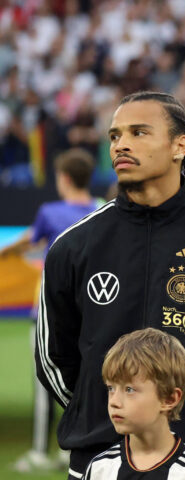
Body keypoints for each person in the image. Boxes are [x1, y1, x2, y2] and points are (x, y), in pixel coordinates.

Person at [35, 91, 185, 480]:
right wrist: (99, 414)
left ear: (179, 146)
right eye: (115, 135)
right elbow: (53, 357)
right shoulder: (73, 246)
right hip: (95, 461)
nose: (121, 145)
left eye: (138, 132)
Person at [0, 148, 101, 473]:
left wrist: (4, 252)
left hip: (51, 309)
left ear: (64, 178)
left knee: (46, 380)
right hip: (92, 308)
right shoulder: (102, 209)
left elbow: (29, 240)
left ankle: (40, 452)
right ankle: (75, 448)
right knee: (84, 380)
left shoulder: (50, 211)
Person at [83, 328, 185, 480]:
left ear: (169, 399)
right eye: (111, 388)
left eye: (129, 390)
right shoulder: (99, 469)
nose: (114, 402)